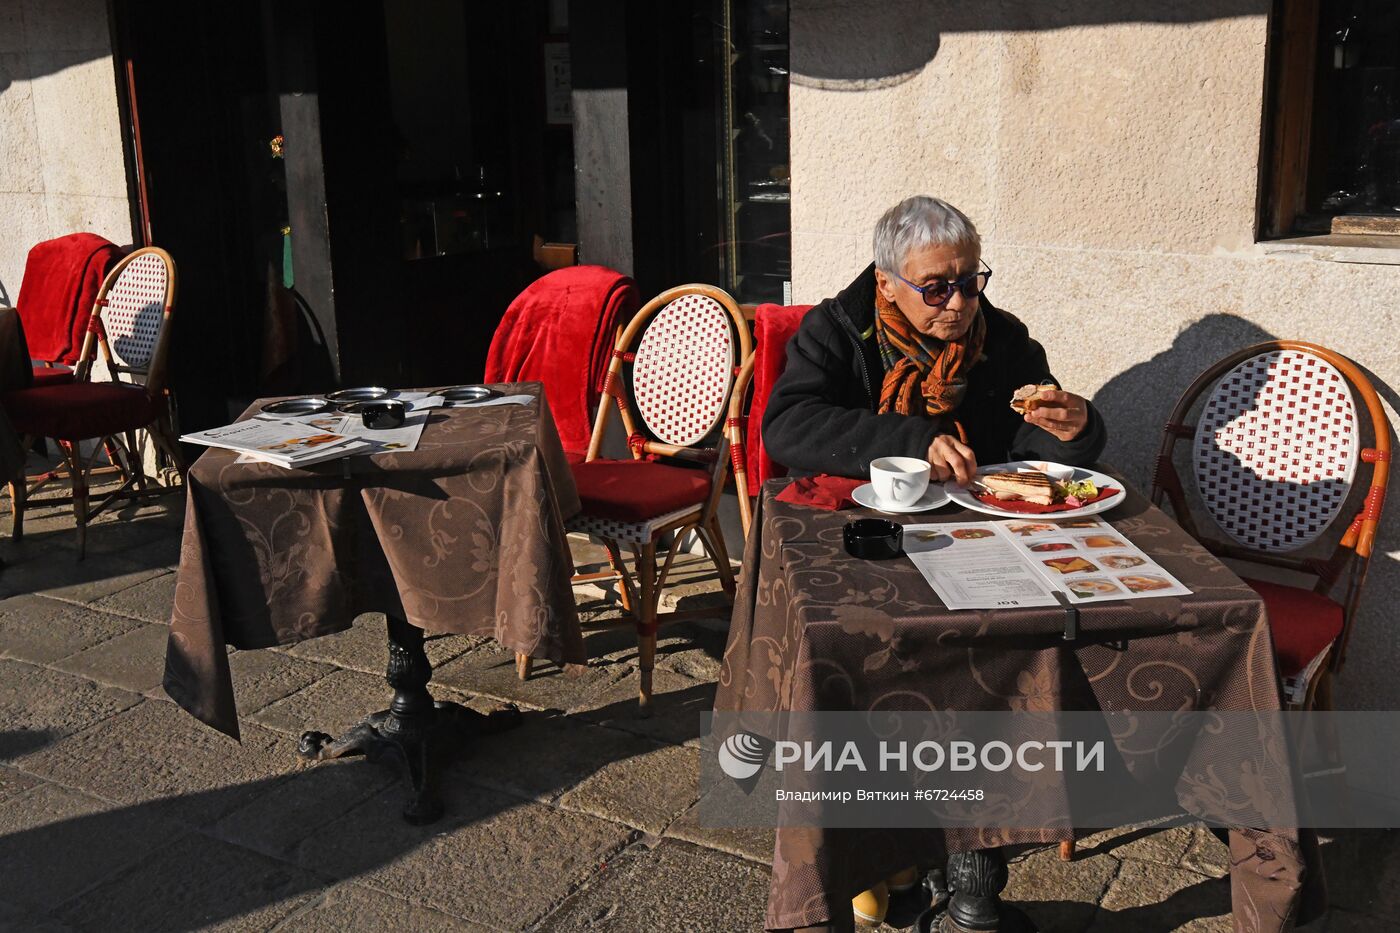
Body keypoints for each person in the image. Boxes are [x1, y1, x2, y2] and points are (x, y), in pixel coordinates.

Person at [762, 195, 1106, 486]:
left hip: (967, 513)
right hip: (856, 510)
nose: (958, 304)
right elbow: (789, 425)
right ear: (886, 285)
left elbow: (1029, 442)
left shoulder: (1003, 337)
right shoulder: (835, 330)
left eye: (969, 282)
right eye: (935, 289)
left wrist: (1076, 432)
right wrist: (913, 444)